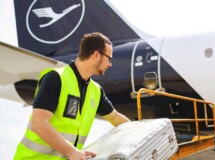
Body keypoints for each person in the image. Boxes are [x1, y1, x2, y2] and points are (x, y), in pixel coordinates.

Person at [14, 32, 130, 160]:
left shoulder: (96, 90)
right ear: (96, 55)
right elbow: (38, 123)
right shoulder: (55, 78)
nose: (110, 64)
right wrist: (72, 151)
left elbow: (115, 117)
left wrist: (145, 130)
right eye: (109, 59)